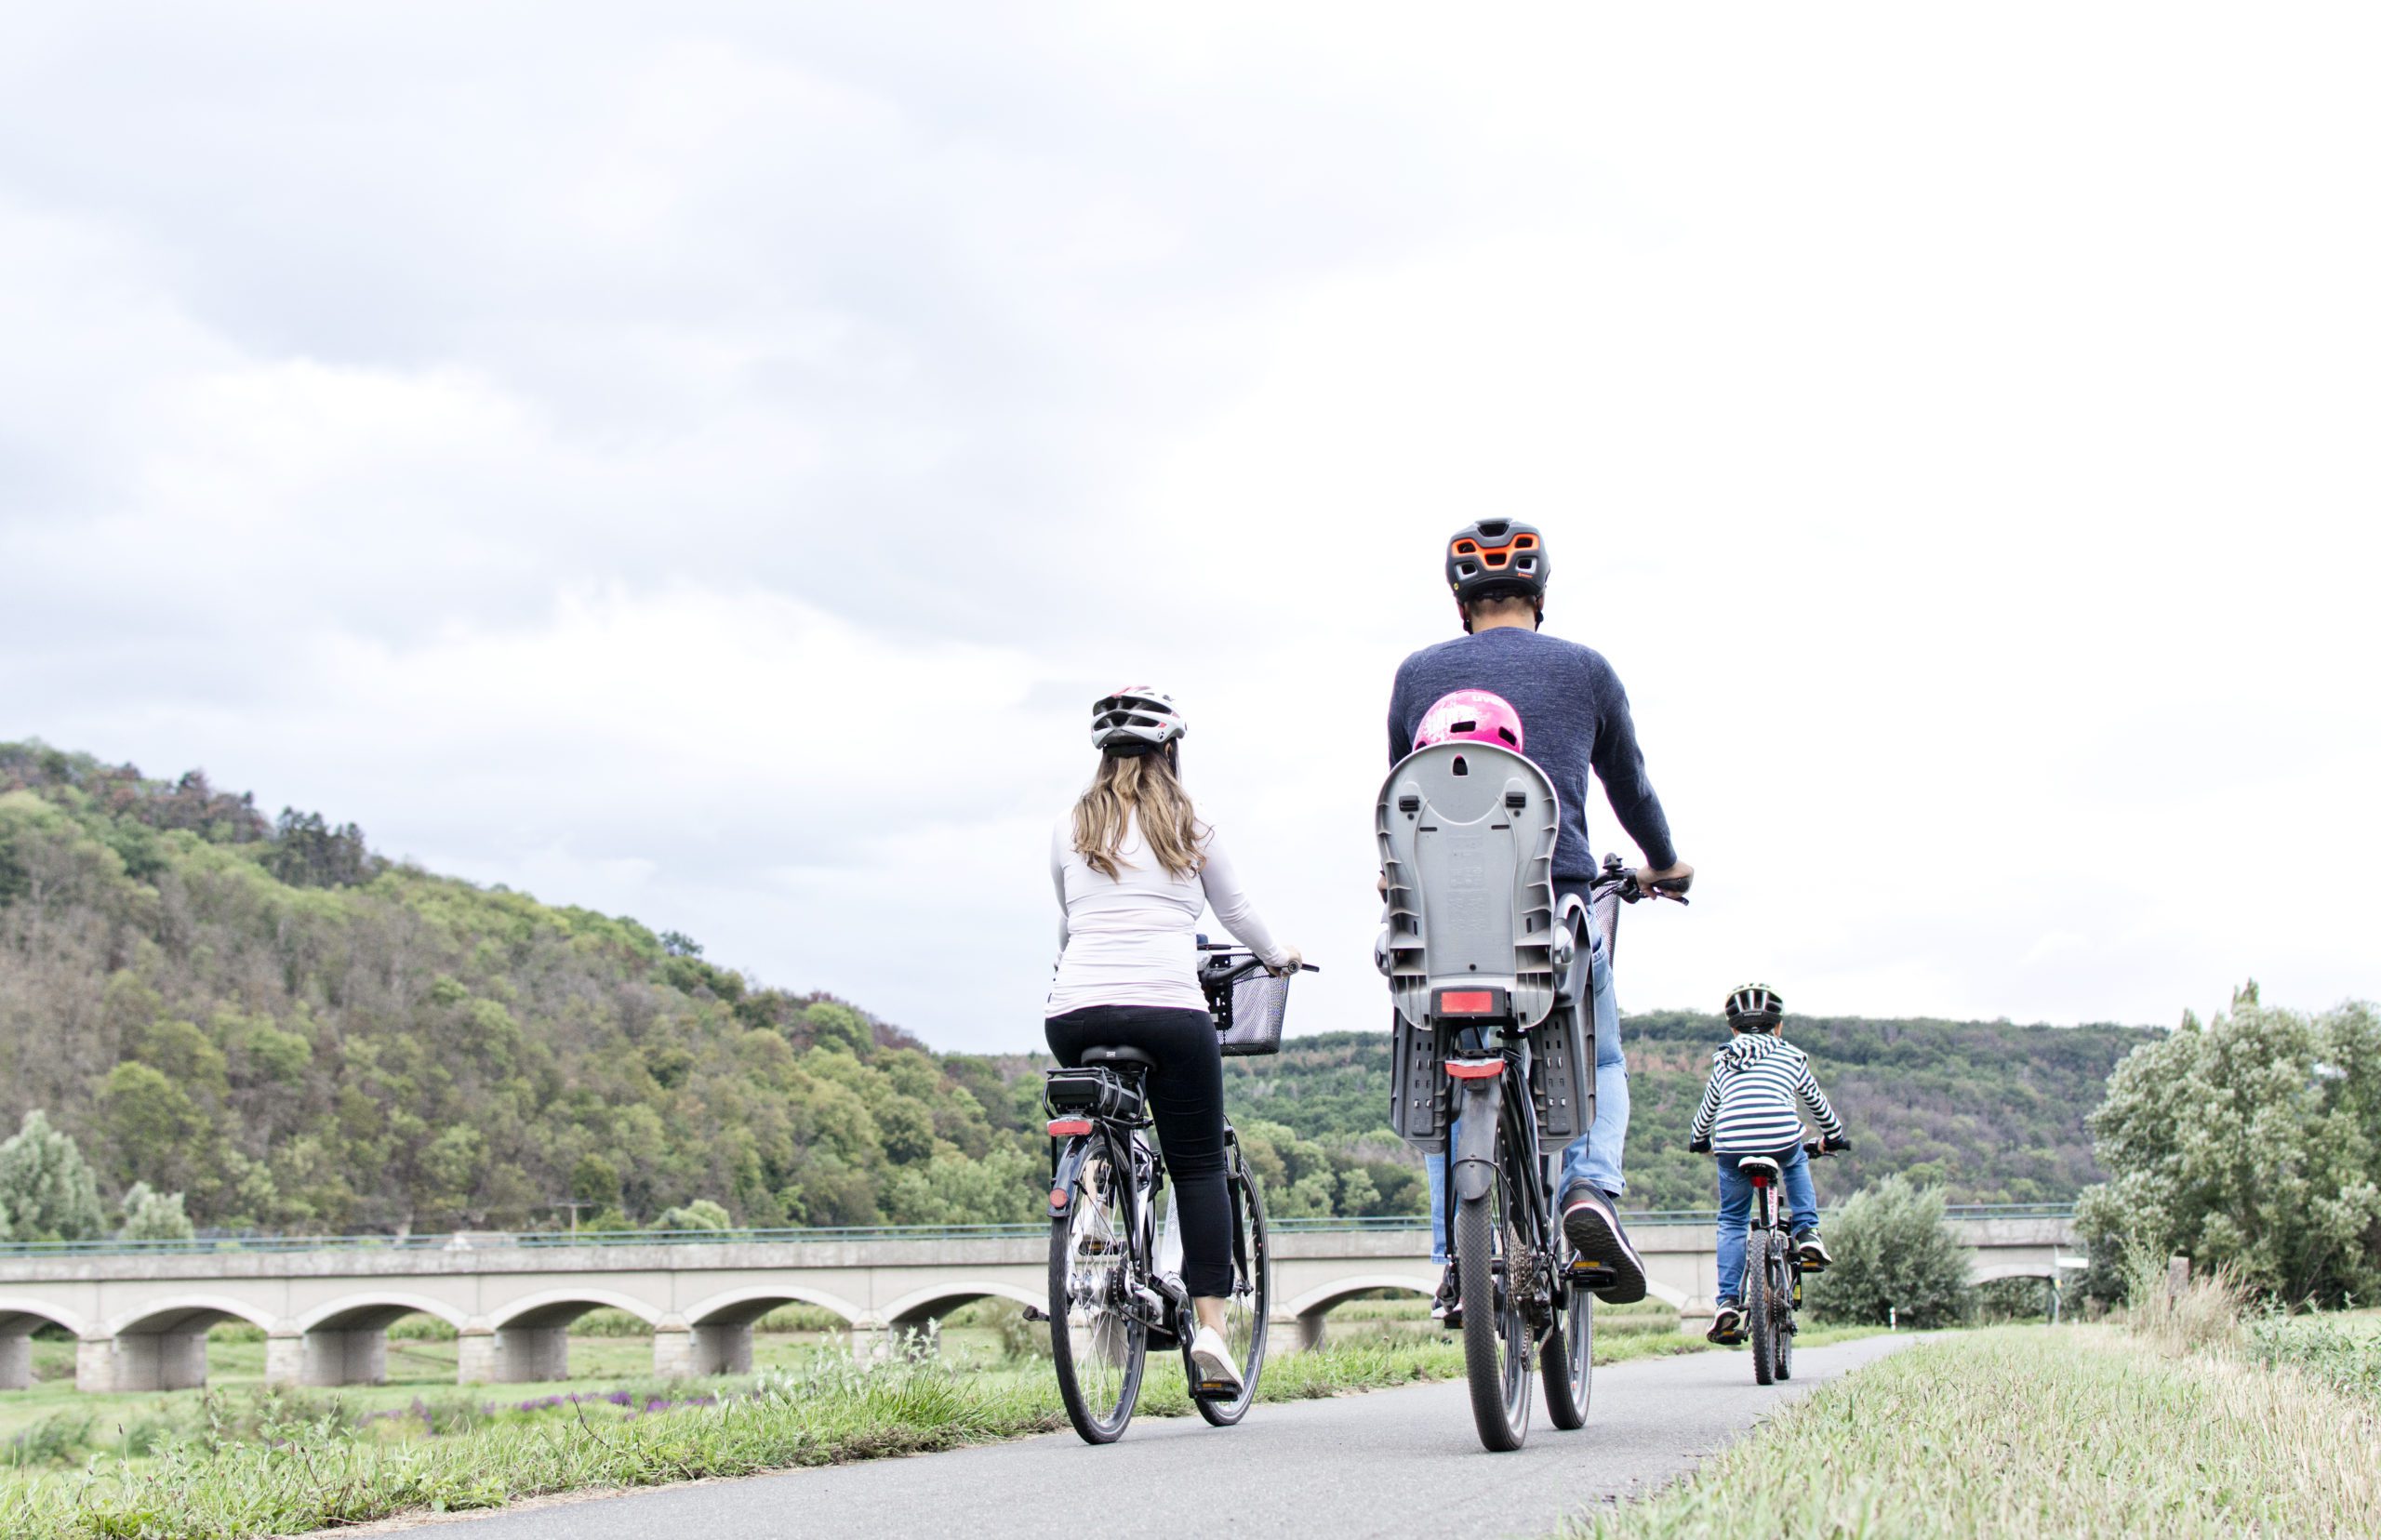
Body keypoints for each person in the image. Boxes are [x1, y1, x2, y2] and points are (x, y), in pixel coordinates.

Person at [1386, 519, 1693, 1311]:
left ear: (1461, 603)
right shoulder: (1585, 670)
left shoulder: (1417, 675)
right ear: (1540, 595)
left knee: (1442, 1073)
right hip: (1549, 907)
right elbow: (1632, 786)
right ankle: (1589, 1190)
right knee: (1604, 1059)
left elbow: (1405, 794)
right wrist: (1663, 862)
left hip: (1440, 922)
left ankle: (1456, 1257)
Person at [1047, 686, 1300, 1392]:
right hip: (1167, 1008)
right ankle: (1213, 1332)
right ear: (1170, 751)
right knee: (1195, 1161)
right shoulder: (1193, 826)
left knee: (1108, 1114)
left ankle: (1098, 1182)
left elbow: (1069, 923)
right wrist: (1277, 954)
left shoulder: (1070, 828)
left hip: (1075, 1011)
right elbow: (1238, 910)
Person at [1686, 983, 1849, 1345]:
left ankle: (1727, 1302)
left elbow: (1707, 1111)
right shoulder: (1791, 1056)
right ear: (1779, 1026)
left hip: (1731, 1146)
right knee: (1794, 1160)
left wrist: (1699, 1140)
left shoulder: (1724, 1060)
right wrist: (1834, 1136)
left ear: (1733, 1029)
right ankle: (1807, 1232)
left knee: (1731, 1220)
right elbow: (1817, 1104)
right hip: (1779, 1138)